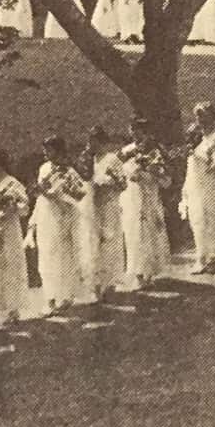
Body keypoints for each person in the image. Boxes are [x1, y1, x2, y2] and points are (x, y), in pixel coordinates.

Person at [31, 137, 89, 311]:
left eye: (49, 150)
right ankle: (50, 298)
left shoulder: (69, 171)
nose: (46, 153)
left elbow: (79, 195)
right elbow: (41, 194)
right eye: (45, 150)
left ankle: (64, 296)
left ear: (58, 151)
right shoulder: (44, 169)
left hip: (62, 217)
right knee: (46, 258)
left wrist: (58, 195)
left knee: (62, 258)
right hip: (45, 217)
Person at [117, 120, 173, 289]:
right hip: (131, 197)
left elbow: (167, 180)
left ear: (147, 133)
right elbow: (119, 172)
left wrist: (151, 171)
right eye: (133, 130)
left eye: (140, 131)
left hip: (149, 196)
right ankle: (138, 273)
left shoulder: (156, 152)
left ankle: (148, 273)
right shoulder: (126, 151)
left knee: (149, 234)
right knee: (133, 233)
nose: (136, 134)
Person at [0, 151, 32, 326]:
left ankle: (12, 309)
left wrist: (11, 208)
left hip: (8, 230)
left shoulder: (12, 183)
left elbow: (24, 207)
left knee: (9, 265)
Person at [182, 104, 215, 270]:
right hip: (195, 184)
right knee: (197, 218)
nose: (200, 119)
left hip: (211, 185)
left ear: (213, 117)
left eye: (204, 116)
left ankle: (210, 255)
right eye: (198, 116)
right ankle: (202, 256)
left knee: (213, 219)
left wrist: (213, 161)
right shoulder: (196, 138)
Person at [78, 128, 128, 300]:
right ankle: (95, 285)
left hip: (109, 206)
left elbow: (123, 184)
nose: (90, 144)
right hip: (92, 206)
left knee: (109, 243)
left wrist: (107, 184)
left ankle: (110, 283)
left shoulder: (112, 159)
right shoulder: (88, 160)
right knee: (93, 243)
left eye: (93, 140)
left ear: (100, 141)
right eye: (89, 140)